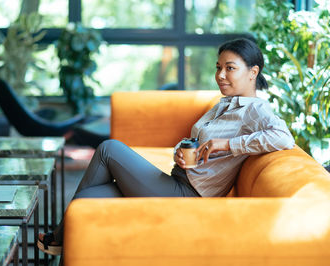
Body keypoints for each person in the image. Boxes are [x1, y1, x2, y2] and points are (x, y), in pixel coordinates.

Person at [37, 38, 295, 256]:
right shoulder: (224, 103)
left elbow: (283, 137)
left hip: (189, 196)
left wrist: (228, 143)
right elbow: (196, 141)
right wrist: (180, 154)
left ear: (253, 72)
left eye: (230, 68)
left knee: (108, 149)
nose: (220, 75)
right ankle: (63, 243)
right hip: (177, 178)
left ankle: (57, 239)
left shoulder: (256, 109)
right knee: (83, 201)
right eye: (218, 67)